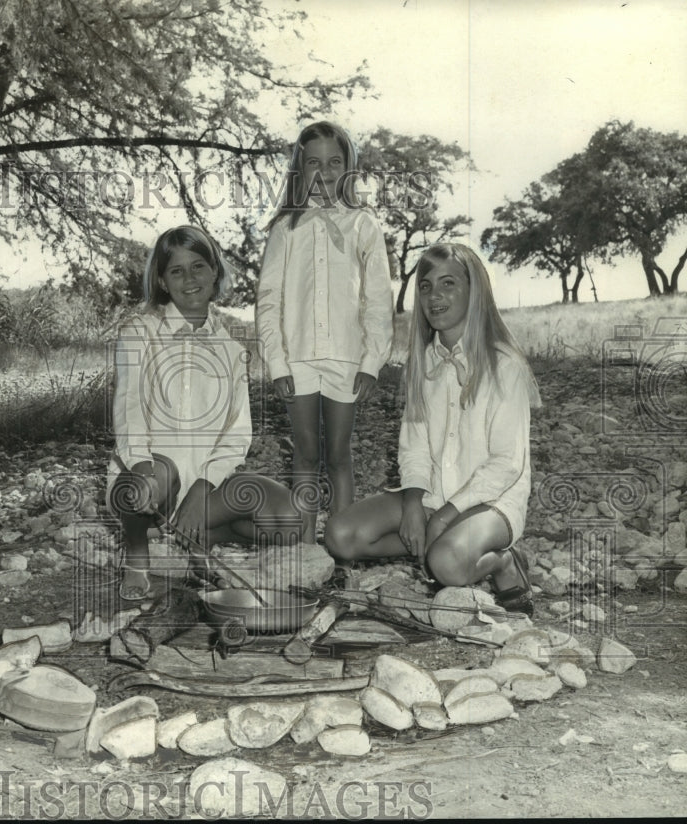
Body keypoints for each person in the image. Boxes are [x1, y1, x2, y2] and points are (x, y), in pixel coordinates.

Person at [324, 242, 542, 615]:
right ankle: (434, 544)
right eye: (425, 286)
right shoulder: (423, 363)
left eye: (448, 284)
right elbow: (414, 445)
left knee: (446, 566)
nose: (434, 296)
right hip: (433, 493)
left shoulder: (505, 365)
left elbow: (507, 463)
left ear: (475, 291)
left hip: (491, 502)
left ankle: (502, 562)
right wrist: (413, 503)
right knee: (339, 536)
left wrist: (445, 516)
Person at [108, 225, 304, 600]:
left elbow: (236, 436)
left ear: (215, 272)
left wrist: (201, 489)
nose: (189, 278)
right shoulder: (139, 331)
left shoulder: (231, 350)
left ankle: (195, 534)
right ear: (163, 282)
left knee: (287, 518)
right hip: (148, 480)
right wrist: (143, 471)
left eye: (198, 266)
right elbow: (128, 406)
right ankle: (137, 553)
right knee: (144, 483)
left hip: (206, 487)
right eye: (176, 271)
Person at [255, 121, 393, 543]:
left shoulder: (363, 226)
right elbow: (269, 299)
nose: (325, 171)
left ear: (348, 167)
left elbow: (378, 301)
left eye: (334, 162)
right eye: (314, 163)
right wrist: (276, 362)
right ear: (300, 169)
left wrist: (372, 362)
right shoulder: (285, 228)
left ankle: (343, 540)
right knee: (306, 452)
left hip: (345, 359)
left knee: (337, 454)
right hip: (297, 360)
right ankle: (303, 544)